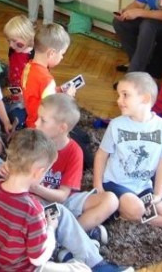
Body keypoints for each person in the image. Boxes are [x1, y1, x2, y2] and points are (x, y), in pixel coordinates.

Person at [0, 129, 132, 272]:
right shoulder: (33, 210)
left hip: (1, 261)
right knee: (81, 269)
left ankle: (96, 262)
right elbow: (39, 258)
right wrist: (50, 228)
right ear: (38, 173)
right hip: (30, 268)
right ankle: (77, 257)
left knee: (58, 210)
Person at [93, 72, 162, 229]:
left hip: (143, 187)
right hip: (115, 183)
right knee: (137, 208)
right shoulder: (116, 125)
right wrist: (98, 185)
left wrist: (158, 194)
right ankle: (125, 210)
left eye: (125, 95)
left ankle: (122, 214)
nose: (119, 100)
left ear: (145, 98)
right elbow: (101, 155)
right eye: (119, 95)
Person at [28, 94, 118, 242]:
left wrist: (36, 187)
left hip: (64, 202)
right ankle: (77, 235)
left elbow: (63, 196)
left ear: (62, 128)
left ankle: (66, 235)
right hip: (35, 201)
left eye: (43, 120)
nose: (36, 123)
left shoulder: (75, 152)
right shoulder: (32, 140)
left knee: (111, 200)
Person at [21, 24, 76, 129]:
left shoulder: (28, 67)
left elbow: (38, 93)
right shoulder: (47, 80)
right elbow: (53, 111)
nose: (62, 57)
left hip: (31, 121)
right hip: (43, 128)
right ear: (51, 53)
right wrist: (68, 97)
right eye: (62, 54)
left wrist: (58, 90)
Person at [3, 15, 35, 128]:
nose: (11, 45)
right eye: (9, 41)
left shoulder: (35, 56)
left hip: (30, 94)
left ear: (28, 37)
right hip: (15, 86)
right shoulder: (13, 49)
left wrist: (27, 95)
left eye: (14, 41)